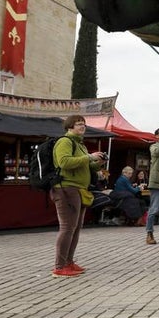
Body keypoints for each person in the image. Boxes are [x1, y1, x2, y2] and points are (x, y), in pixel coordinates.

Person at [50, 115, 105, 277]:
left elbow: (86, 166)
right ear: (69, 127)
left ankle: (69, 262)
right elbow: (64, 162)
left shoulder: (79, 144)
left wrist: (98, 163)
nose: (83, 127)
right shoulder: (65, 142)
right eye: (79, 124)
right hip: (66, 188)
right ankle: (59, 267)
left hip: (79, 189)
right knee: (67, 227)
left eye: (84, 124)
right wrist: (89, 157)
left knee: (75, 228)